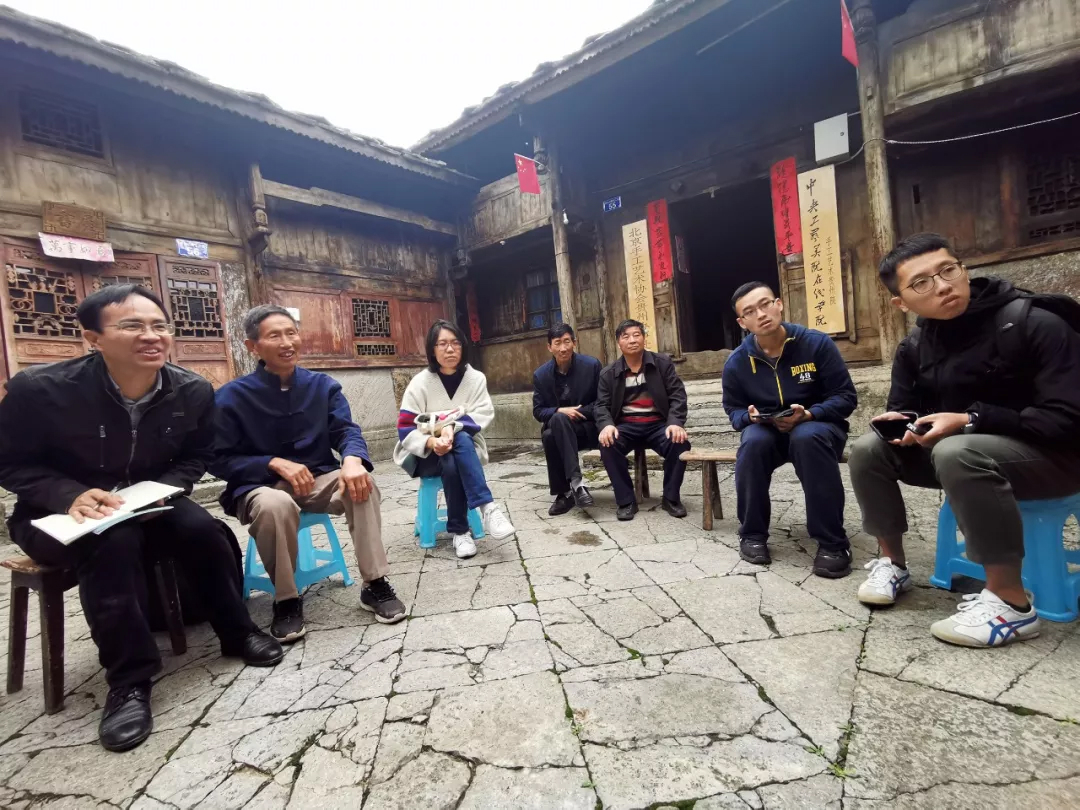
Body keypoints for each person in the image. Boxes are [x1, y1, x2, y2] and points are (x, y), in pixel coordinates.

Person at [0, 285, 282, 753]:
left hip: (148, 503)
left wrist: (162, 490)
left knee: (204, 530)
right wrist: (68, 495)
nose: (151, 336)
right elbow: (10, 462)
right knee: (112, 543)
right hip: (57, 514)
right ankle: (129, 681)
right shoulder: (41, 390)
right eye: (132, 325)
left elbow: (198, 456)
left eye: (159, 325)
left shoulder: (190, 390)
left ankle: (238, 632)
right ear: (94, 337)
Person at [849, 232, 1080, 647]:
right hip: (968, 458)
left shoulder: (1032, 322)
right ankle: (892, 563)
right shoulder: (914, 347)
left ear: (964, 269)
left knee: (959, 449)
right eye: (922, 283)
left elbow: (1068, 418)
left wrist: (971, 419)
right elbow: (905, 408)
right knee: (868, 449)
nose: (942, 286)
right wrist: (905, 425)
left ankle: (1011, 604)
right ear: (901, 303)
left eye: (948, 271)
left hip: (1056, 457)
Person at [212, 306, 405, 643]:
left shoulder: (322, 386)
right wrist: (271, 462)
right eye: (275, 335)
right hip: (260, 486)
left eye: (291, 333)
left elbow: (346, 430)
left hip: (318, 478)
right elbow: (216, 458)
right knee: (275, 505)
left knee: (362, 484)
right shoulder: (231, 397)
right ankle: (286, 599)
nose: (287, 342)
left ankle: (374, 583)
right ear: (253, 346)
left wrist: (353, 460)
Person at [721, 282, 858, 578]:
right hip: (768, 430)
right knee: (752, 443)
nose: (761, 314)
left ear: (779, 304)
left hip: (818, 427)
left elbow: (845, 397)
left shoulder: (816, 344)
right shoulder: (737, 362)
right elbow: (732, 409)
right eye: (750, 311)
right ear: (742, 323)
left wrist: (810, 414)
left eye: (765, 304)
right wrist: (749, 417)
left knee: (807, 437)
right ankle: (752, 534)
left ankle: (833, 544)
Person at [394, 320, 516, 558]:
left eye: (455, 343)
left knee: (455, 452)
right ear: (432, 349)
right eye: (442, 344)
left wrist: (451, 428)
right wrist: (433, 442)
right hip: (424, 454)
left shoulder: (475, 379)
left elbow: (483, 413)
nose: (450, 349)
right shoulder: (420, 383)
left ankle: (460, 531)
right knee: (453, 453)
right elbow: (405, 427)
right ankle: (486, 508)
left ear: (463, 346)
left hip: (463, 447)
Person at [596, 319, 690, 521]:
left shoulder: (662, 364)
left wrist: (675, 422)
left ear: (644, 338)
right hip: (626, 426)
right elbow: (601, 405)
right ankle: (626, 501)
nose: (632, 340)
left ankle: (671, 498)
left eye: (636, 335)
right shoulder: (608, 373)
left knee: (680, 443)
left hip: (658, 425)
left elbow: (678, 396)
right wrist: (607, 425)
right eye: (626, 336)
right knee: (608, 445)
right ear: (619, 343)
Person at [533, 323, 602, 515]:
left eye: (566, 342)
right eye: (557, 343)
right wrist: (561, 410)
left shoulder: (592, 366)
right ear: (550, 347)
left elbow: (602, 402)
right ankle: (574, 487)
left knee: (554, 426)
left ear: (574, 343)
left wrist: (577, 412)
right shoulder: (541, 375)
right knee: (554, 427)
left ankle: (567, 492)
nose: (563, 348)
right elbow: (538, 411)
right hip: (560, 431)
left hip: (587, 429)